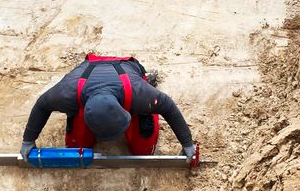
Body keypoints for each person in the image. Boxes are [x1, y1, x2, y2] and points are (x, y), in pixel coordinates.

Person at [21, 54, 196, 161]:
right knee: (75, 146)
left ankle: (144, 114)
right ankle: (74, 116)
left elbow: (169, 107)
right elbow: (41, 105)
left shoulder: (139, 94)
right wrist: (28, 140)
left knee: (143, 149)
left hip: (126, 70)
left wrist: (187, 144)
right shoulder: (67, 93)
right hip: (86, 76)